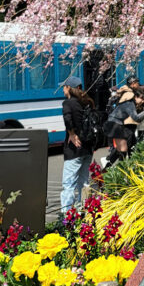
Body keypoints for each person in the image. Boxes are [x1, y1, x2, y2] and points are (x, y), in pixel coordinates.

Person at [59, 77, 96, 213]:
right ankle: (84, 211)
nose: (63, 90)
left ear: (69, 88)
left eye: (64, 87)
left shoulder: (68, 103)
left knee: (68, 184)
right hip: (88, 148)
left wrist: (72, 134)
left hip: (74, 149)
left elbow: (67, 119)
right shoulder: (87, 102)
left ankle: (66, 215)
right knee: (84, 181)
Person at [103, 85, 144, 164]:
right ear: (135, 97)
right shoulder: (130, 103)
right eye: (141, 98)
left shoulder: (130, 102)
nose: (143, 101)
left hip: (115, 124)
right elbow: (136, 118)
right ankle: (113, 167)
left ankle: (110, 166)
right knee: (123, 150)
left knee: (121, 150)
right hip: (114, 124)